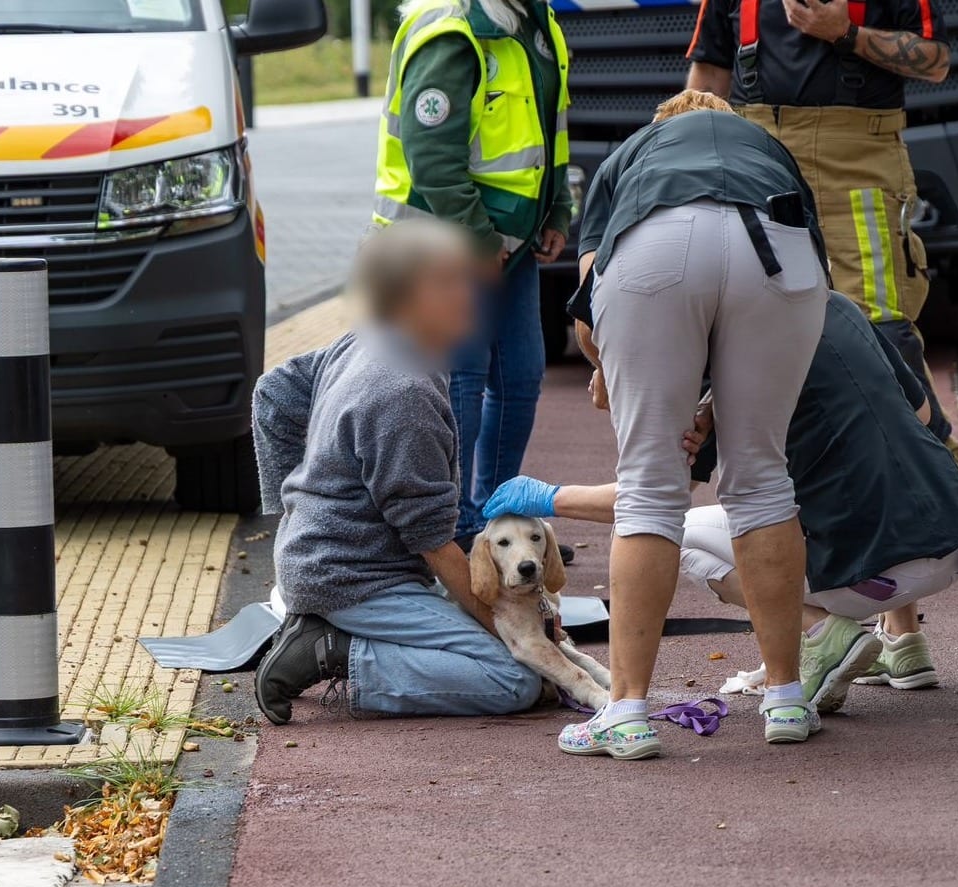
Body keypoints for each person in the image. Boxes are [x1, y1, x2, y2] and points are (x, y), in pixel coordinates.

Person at [489, 291, 958, 713]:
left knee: (683, 535)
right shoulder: (835, 304)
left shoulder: (722, 362)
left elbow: (650, 500)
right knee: (870, 456)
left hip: (872, 576)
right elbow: (921, 414)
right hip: (954, 537)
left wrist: (548, 496)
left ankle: (824, 633)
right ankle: (905, 645)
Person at [555, 89, 831, 760]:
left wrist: (608, 371)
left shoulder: (634, 153)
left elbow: (590, 298)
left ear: (660, 129)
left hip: (656, 243)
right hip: (776, 242)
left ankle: (624, 712)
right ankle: (788, 698)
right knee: (764, 478)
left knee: (649, 487)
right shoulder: (766, 148)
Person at [687, 0, 954, 677]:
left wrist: (846, 34)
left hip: (856, 158)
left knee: (882, 352)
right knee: (753, 349)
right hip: (754, 155)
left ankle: (901, 630)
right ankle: (820, 638)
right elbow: (706, 80)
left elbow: (937, 60)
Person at [250, 221, 540, 726]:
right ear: (404, 299)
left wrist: (293, 516)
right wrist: (510, 631)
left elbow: (272, 394)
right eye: (448, 283)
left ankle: (323, 625)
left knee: (509, 647)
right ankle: (333, 650)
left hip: (327, 565)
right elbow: (435, 543)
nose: (468, 293)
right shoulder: (403, 393)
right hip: (354, 580)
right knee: (515, 677)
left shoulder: (368, 341)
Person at [371, 0, 574, 555]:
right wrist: (478, 239)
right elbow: (429, 155)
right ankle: (452, 527)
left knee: (520, 376)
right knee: (461, 380)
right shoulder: (452, 32)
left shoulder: (538, 22)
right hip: (447, 242)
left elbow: (547, 132)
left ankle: (498, 516)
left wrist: (555, 210)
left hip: (508, 245)